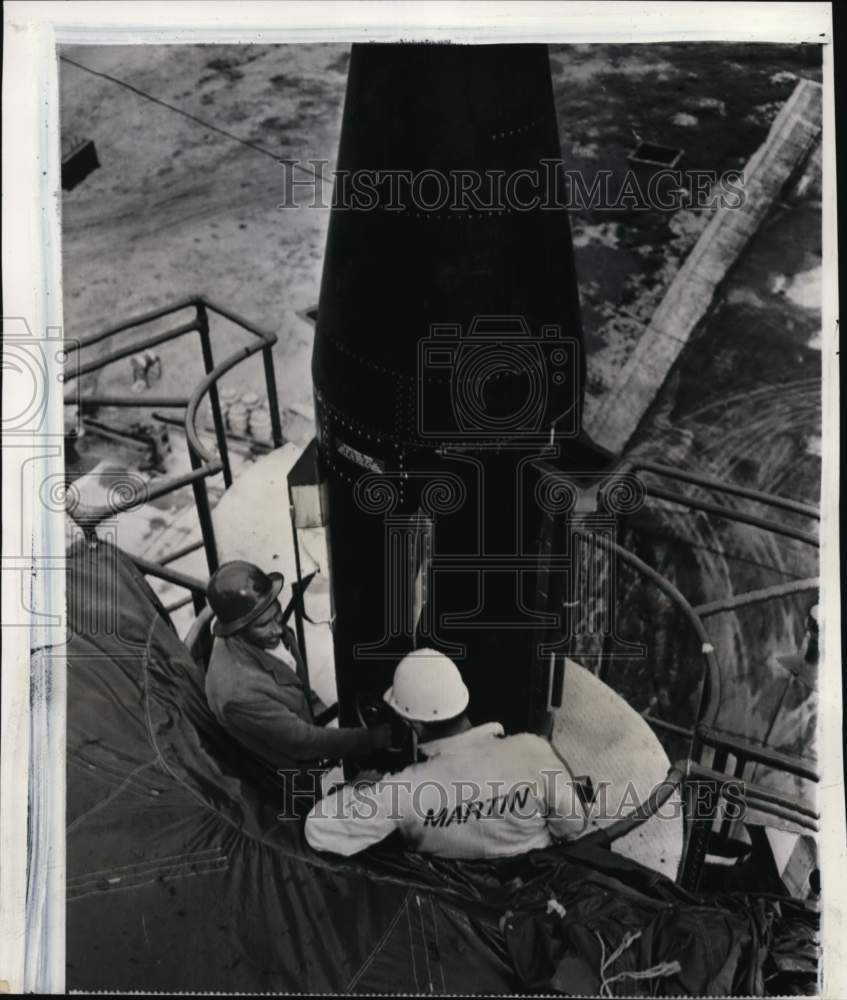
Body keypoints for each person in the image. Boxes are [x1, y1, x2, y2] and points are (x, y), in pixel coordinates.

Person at [304, 648, 588, 858]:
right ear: (461, 699)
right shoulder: (534, 751)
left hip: (456, 918)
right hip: (530, 903)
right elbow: (573, 828)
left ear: (413, 723)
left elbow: (317, 830)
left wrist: (358, 788)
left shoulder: (401, 791)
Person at [204, 560, 391, 785]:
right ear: (237, 629)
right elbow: (303, 743)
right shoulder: (239, 693)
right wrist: (373, 739)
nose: (278, 628)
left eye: (277, 614)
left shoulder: (260, 633)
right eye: (264, 624)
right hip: (288, 777)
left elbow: (294, 682)